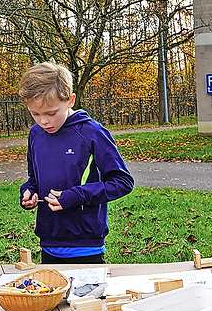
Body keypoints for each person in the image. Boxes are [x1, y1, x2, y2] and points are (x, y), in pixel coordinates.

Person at [18, 62, 134, 264]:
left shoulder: (92, 132)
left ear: (70, 100)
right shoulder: (36, 134)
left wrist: (76, 196)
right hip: (48, 241)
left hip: (86, 243)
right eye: (35, 114)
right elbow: (34, 179)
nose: (44, 121)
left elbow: (122, 182)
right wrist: (29, 192)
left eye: (51, 113)